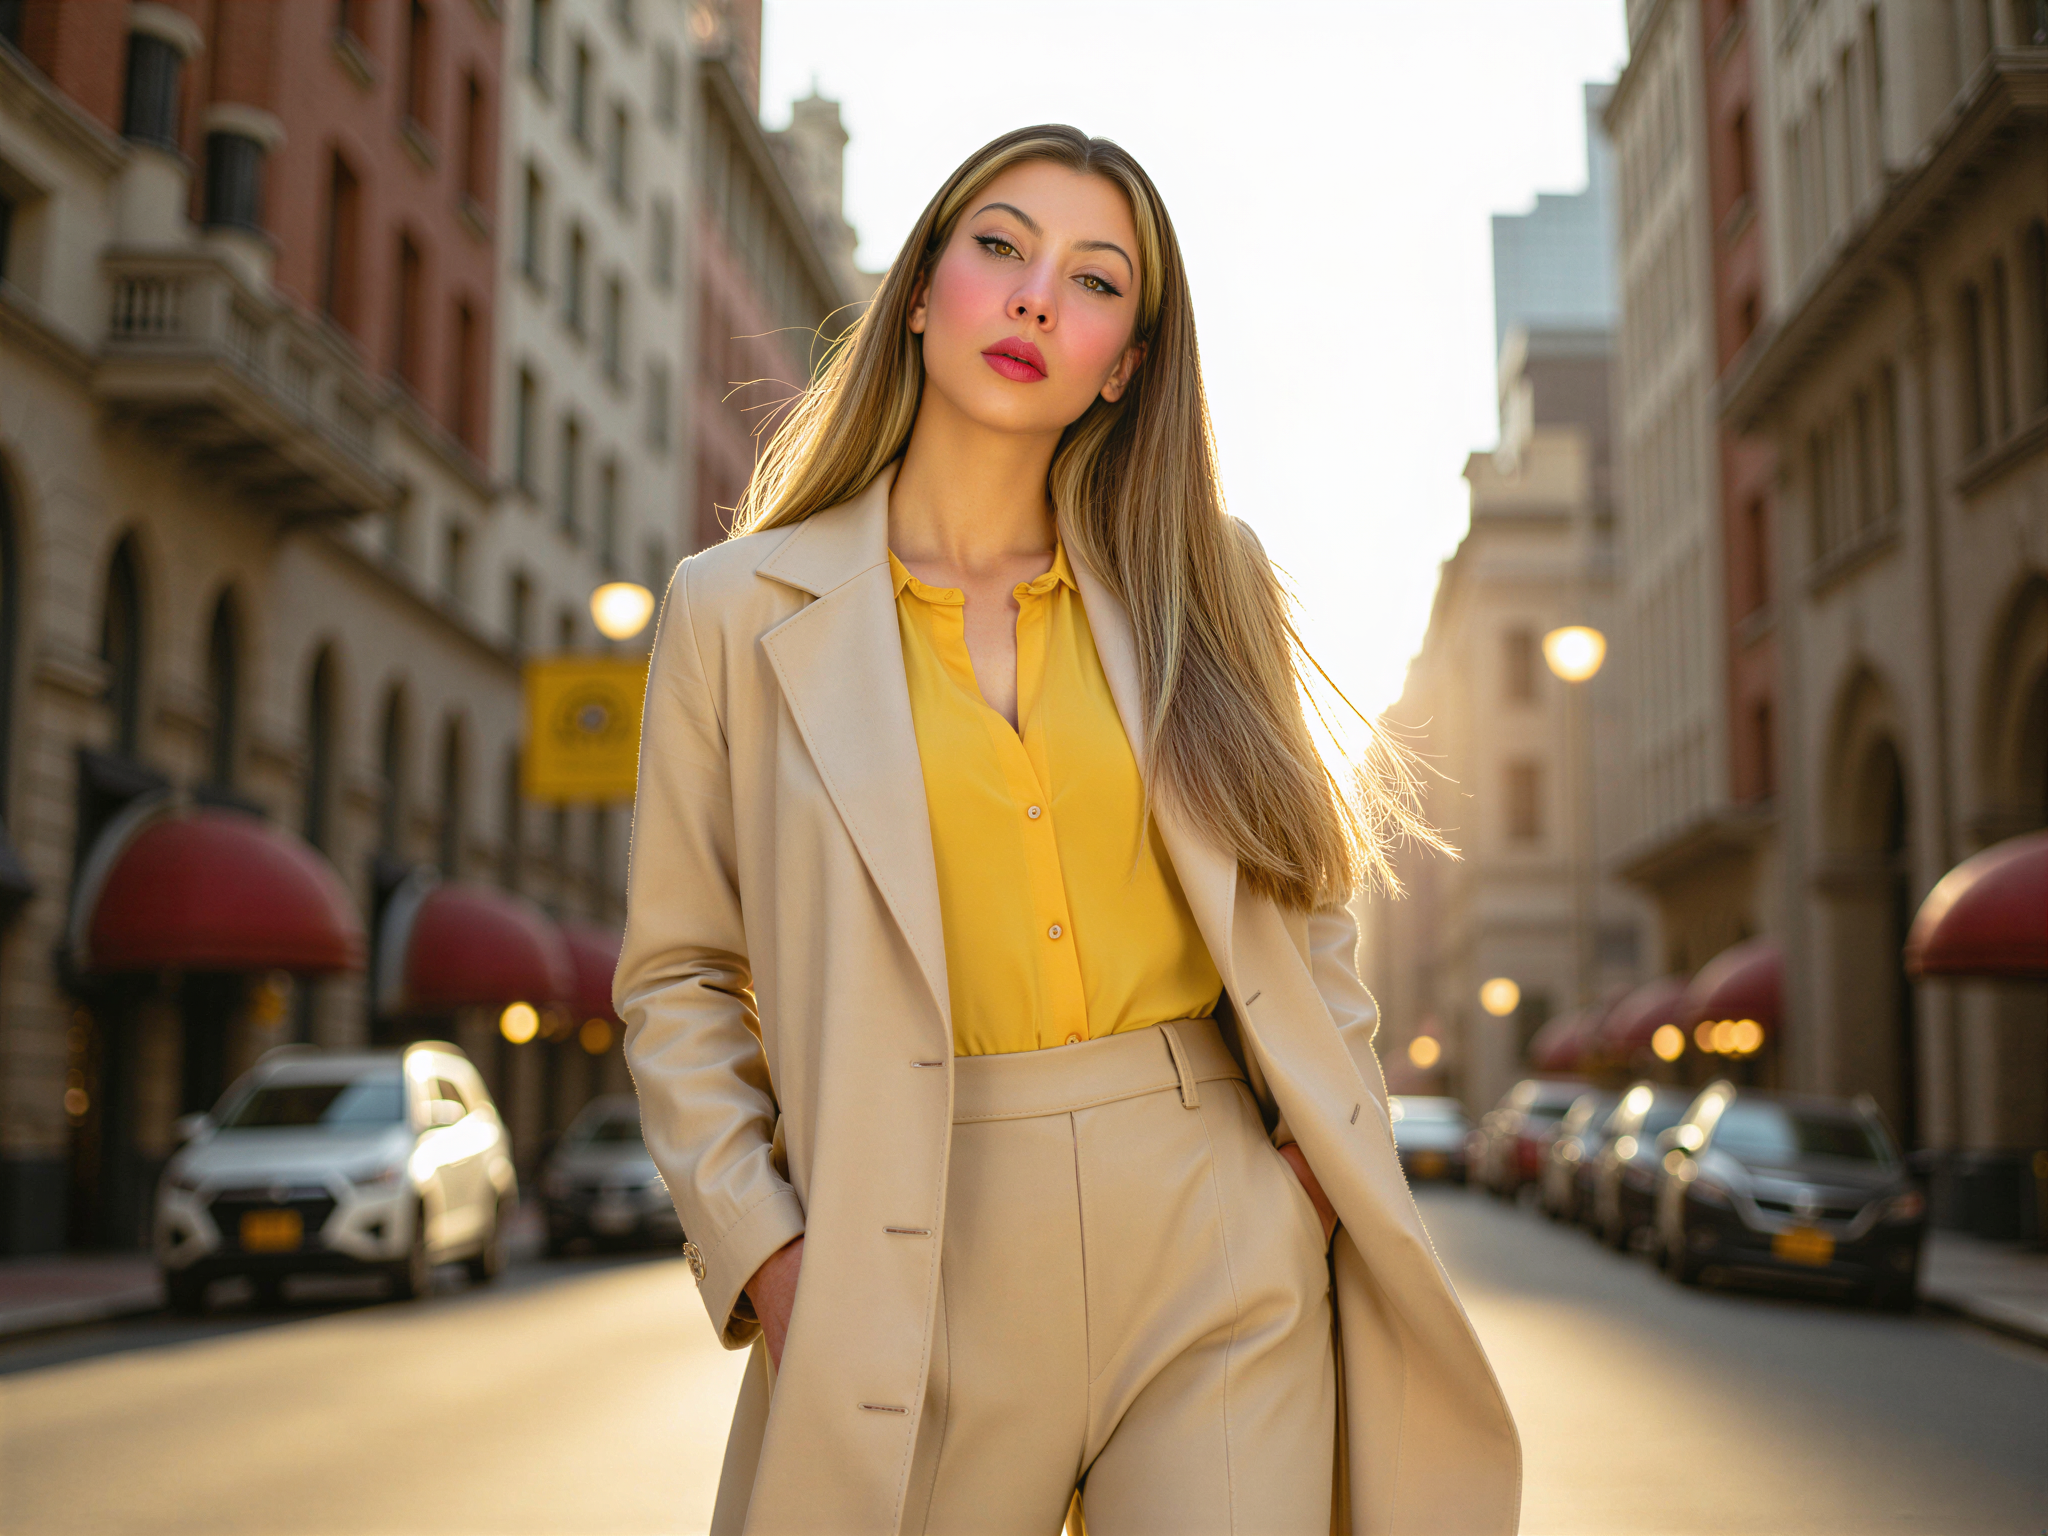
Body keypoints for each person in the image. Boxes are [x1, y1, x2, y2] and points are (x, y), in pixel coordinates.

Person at [617, 124, 1519, 1536]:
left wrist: (1303, 1188)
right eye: (999, 248)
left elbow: (1304, 901)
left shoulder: (1205, 578)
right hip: (906, 1249)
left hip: (1217, 1238)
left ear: (1128, 365)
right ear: (920, 291)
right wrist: (769, 1254)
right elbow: (677, 977)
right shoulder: (735, 611)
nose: (1039, 296)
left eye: (1096, 281)